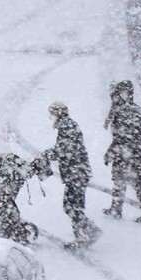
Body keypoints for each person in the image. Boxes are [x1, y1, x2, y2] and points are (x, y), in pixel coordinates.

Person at [41, 102, 101, 243]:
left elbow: (62, 150)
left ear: (58, 114)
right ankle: (86, 232)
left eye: (52, 114)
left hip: (76, 173)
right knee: (73, 206)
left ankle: (85, 234)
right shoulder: (67, 126)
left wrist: (45, 155)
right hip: (77, 173)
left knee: (71, 206)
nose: (51, 117)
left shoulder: (67, 127)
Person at [103, 80, 141, 224]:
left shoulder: (127, 111)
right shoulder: (131, 109)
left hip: (129, 154)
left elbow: (123, 136)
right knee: (125, 181)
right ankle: (119, 208)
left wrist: (111, 152)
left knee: (134, 182)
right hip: (133, 153)